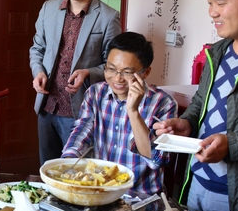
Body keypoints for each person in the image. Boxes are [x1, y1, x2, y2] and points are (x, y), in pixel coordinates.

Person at [154, 0, 238, 211]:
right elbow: (202, 102)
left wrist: (231, 145)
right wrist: (187, 123)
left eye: (220, 3)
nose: (212, 12)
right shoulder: (217, 53)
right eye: (209, 2)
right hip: (196, 185)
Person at [30, 0, 122, 165]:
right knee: (47, 168)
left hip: (80, 110)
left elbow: (113, 66)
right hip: (47, 105)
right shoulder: (48, 8)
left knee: (76, 170)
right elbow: (37, 48)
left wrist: (88, 73)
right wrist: (38, 72)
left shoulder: (108, 17)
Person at [62, 32, 177, 195]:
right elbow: (82, 132)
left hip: (140, 196)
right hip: (101, 191)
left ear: (146, 72)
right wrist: (67, 162)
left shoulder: (163, 103)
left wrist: (133, 111)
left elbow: (156, 160)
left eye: (127, 72)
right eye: (111, 69)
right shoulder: (95, 93)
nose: (117, 78)